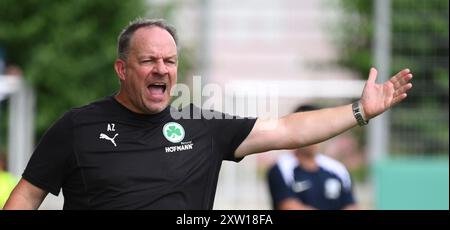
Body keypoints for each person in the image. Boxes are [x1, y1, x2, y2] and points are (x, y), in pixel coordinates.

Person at [3, 18, 413, 210]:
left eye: (169, 60)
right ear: (122, 69)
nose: (161, 69)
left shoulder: (202, 127)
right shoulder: (77, 126)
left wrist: (361, 111)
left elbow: (287, 129)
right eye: (149, 60)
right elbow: (27, 195)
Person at [267, 104, 357, 210]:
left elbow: (351, 205)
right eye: (306, 128)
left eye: (317, 127)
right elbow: (288, 206)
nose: (312, 134)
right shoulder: (281, 168)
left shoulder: (338, 169)